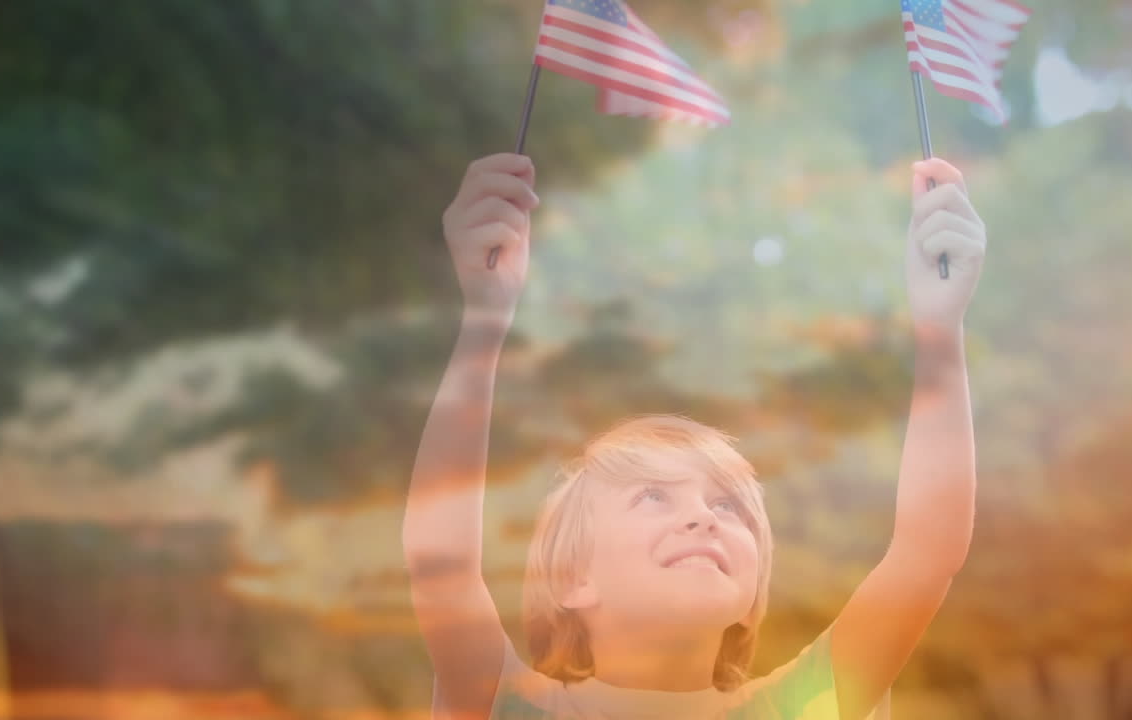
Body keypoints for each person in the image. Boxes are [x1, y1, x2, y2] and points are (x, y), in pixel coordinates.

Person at [404, 152, 987, 719]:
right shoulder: (505, 707)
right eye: (653, 496)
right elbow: (442, 566)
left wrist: (939, 330)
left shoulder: (796, 708)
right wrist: (484, 320)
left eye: (728, 505)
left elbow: (925, 552)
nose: (704, 518)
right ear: (573, 579)